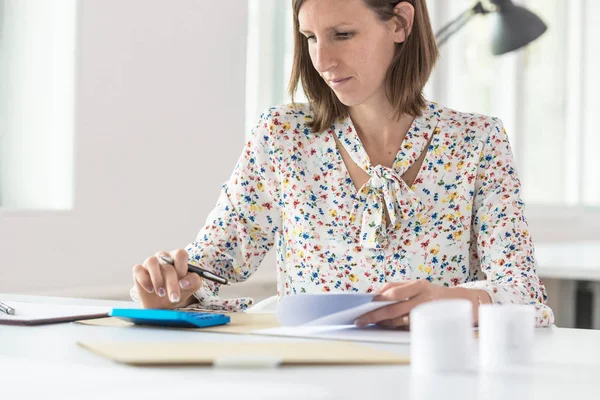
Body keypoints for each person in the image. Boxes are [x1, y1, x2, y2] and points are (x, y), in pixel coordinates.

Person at [130, 0, 554, 328]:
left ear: (400, 23)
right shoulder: (281, 136)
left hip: (436, 374)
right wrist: (169, 287)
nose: (323, 61)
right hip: (312, 380)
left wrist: (447, 302)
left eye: (343, 34)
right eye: (311, 38)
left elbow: (521, 295)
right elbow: (205, 270)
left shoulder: (477, 141)